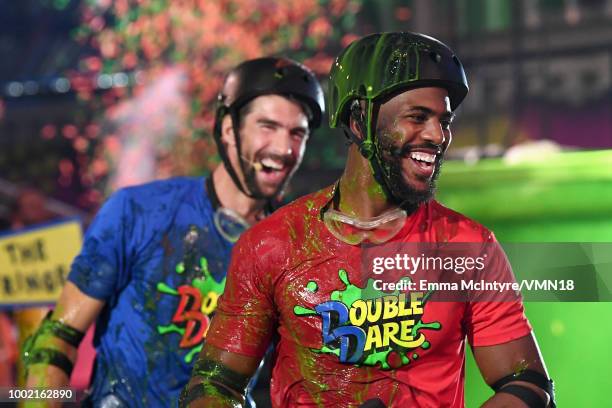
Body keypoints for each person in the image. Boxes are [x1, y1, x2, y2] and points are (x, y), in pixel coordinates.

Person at [181, 32, 555, 408]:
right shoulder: (273, 243)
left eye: (445, 120)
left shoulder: (468, 245)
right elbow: (215, 385)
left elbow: (527, 383)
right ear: (360, 120)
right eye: (418, 117)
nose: (438, 135)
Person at [23, 57, 325, 407]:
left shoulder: (295, 249)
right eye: (267, 126)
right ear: (229, 129)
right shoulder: (138, 212)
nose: (283, 148)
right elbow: (54, 340)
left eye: (296, 133)